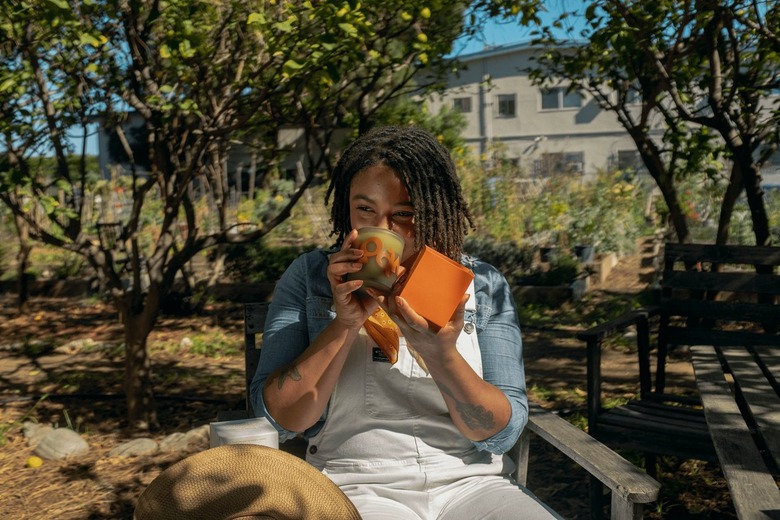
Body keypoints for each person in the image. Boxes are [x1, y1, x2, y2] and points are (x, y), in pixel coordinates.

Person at [250, 125, 560, 519]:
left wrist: (441, 354)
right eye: (365, 210)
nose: (384, 229)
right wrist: (343, 323)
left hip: (471, 483)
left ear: (435, 210)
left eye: (404, 214)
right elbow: (276, 421)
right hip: (354, 484)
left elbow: (502, 433)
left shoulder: (480, 285)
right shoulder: (312, 278)